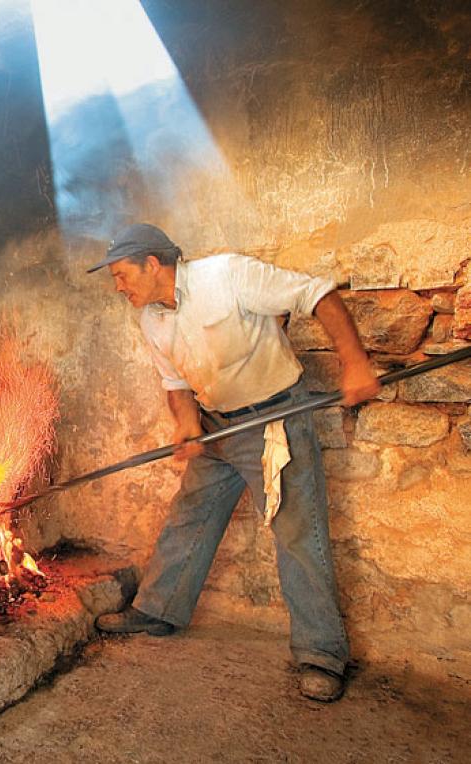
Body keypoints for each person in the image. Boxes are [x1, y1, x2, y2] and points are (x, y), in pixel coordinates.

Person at [88, 223, 379, 703]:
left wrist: (355, 363)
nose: (119, 287)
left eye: (122, 275)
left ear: (153, 263)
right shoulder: (151, 319)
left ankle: (322, 654)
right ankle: (158, 609)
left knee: (297, 533)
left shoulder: (226, 275)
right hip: (217, 426)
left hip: (273, 420)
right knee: (191, 515)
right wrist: (186, 424)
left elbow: (318, 294)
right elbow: (176, 383)